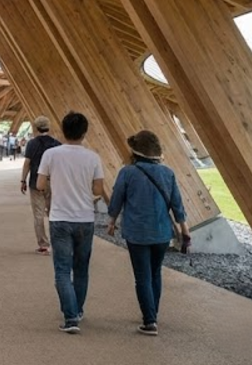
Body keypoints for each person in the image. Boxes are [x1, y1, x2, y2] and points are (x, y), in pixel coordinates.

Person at [107, 130, 190, 337]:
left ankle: (149, 320)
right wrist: (184, 230)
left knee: (142, 276)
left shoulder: (127, 173)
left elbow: (116, 199)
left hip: (136, 232)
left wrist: (111, 221)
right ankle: (153, 312)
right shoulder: (168, 173)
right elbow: (177, 205)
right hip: (162, 233)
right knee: (155, 273)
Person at [37, 111, 109, 334]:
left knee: (61, 269)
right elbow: (98, 189)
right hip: (85, 219)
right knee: (81, 268)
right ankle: (77, 310)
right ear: (84, 133)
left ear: (62, 130)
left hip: (60, 217)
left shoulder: (51, 154)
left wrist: (54, 186)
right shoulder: (93, 158)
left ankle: (70, 318)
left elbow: (40, 184)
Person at [21, 116, 61, 255]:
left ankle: (43, 244)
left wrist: (22, 180)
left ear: (36, 128)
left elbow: (27, 163)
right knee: (54, 213)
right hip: (53, 182)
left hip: (36, 182)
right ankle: (57, 242)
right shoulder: (57, 143)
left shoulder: (32, 144)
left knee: (38, 214)